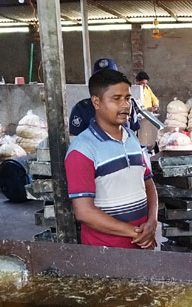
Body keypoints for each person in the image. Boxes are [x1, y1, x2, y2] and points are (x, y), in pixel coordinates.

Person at [65, 69, 158, 249]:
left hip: (143, 245)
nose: (125, 105)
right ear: (96, 102)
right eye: (116, 99)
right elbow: (84, 212)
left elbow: (148, 183)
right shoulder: (82, 150)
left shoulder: (132, 138)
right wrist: (137, 233)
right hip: (106, 254)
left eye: (128, 98)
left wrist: (152, 222)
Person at [69, 57, 141, 136]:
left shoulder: (129, 104)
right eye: (100, 79)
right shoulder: (82, 109)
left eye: (111, 79)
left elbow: (134, 132)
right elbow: (75, 138)